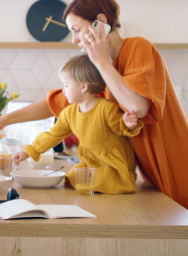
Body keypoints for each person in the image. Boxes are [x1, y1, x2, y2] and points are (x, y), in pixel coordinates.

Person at [0, 0, 188, 252]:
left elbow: (138, 106)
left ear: (100, 22)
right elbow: (58, 104)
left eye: (77, 29)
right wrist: (3, 120)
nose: (74, 39)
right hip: (151, 173)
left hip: (180, 168)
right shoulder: (99, 68)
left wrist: (101, 62)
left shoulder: (137, 48)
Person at [13, 54, 144, 194]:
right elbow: (52, 135)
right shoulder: (69, 113)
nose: (63, 90)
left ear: (83, 87)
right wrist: (28, 152)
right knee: (72, 179)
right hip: (91, 161)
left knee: (102, 182)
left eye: (66, 85)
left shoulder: (107, 108)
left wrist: (129, 125)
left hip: (112, 163)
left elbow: (120, 129)